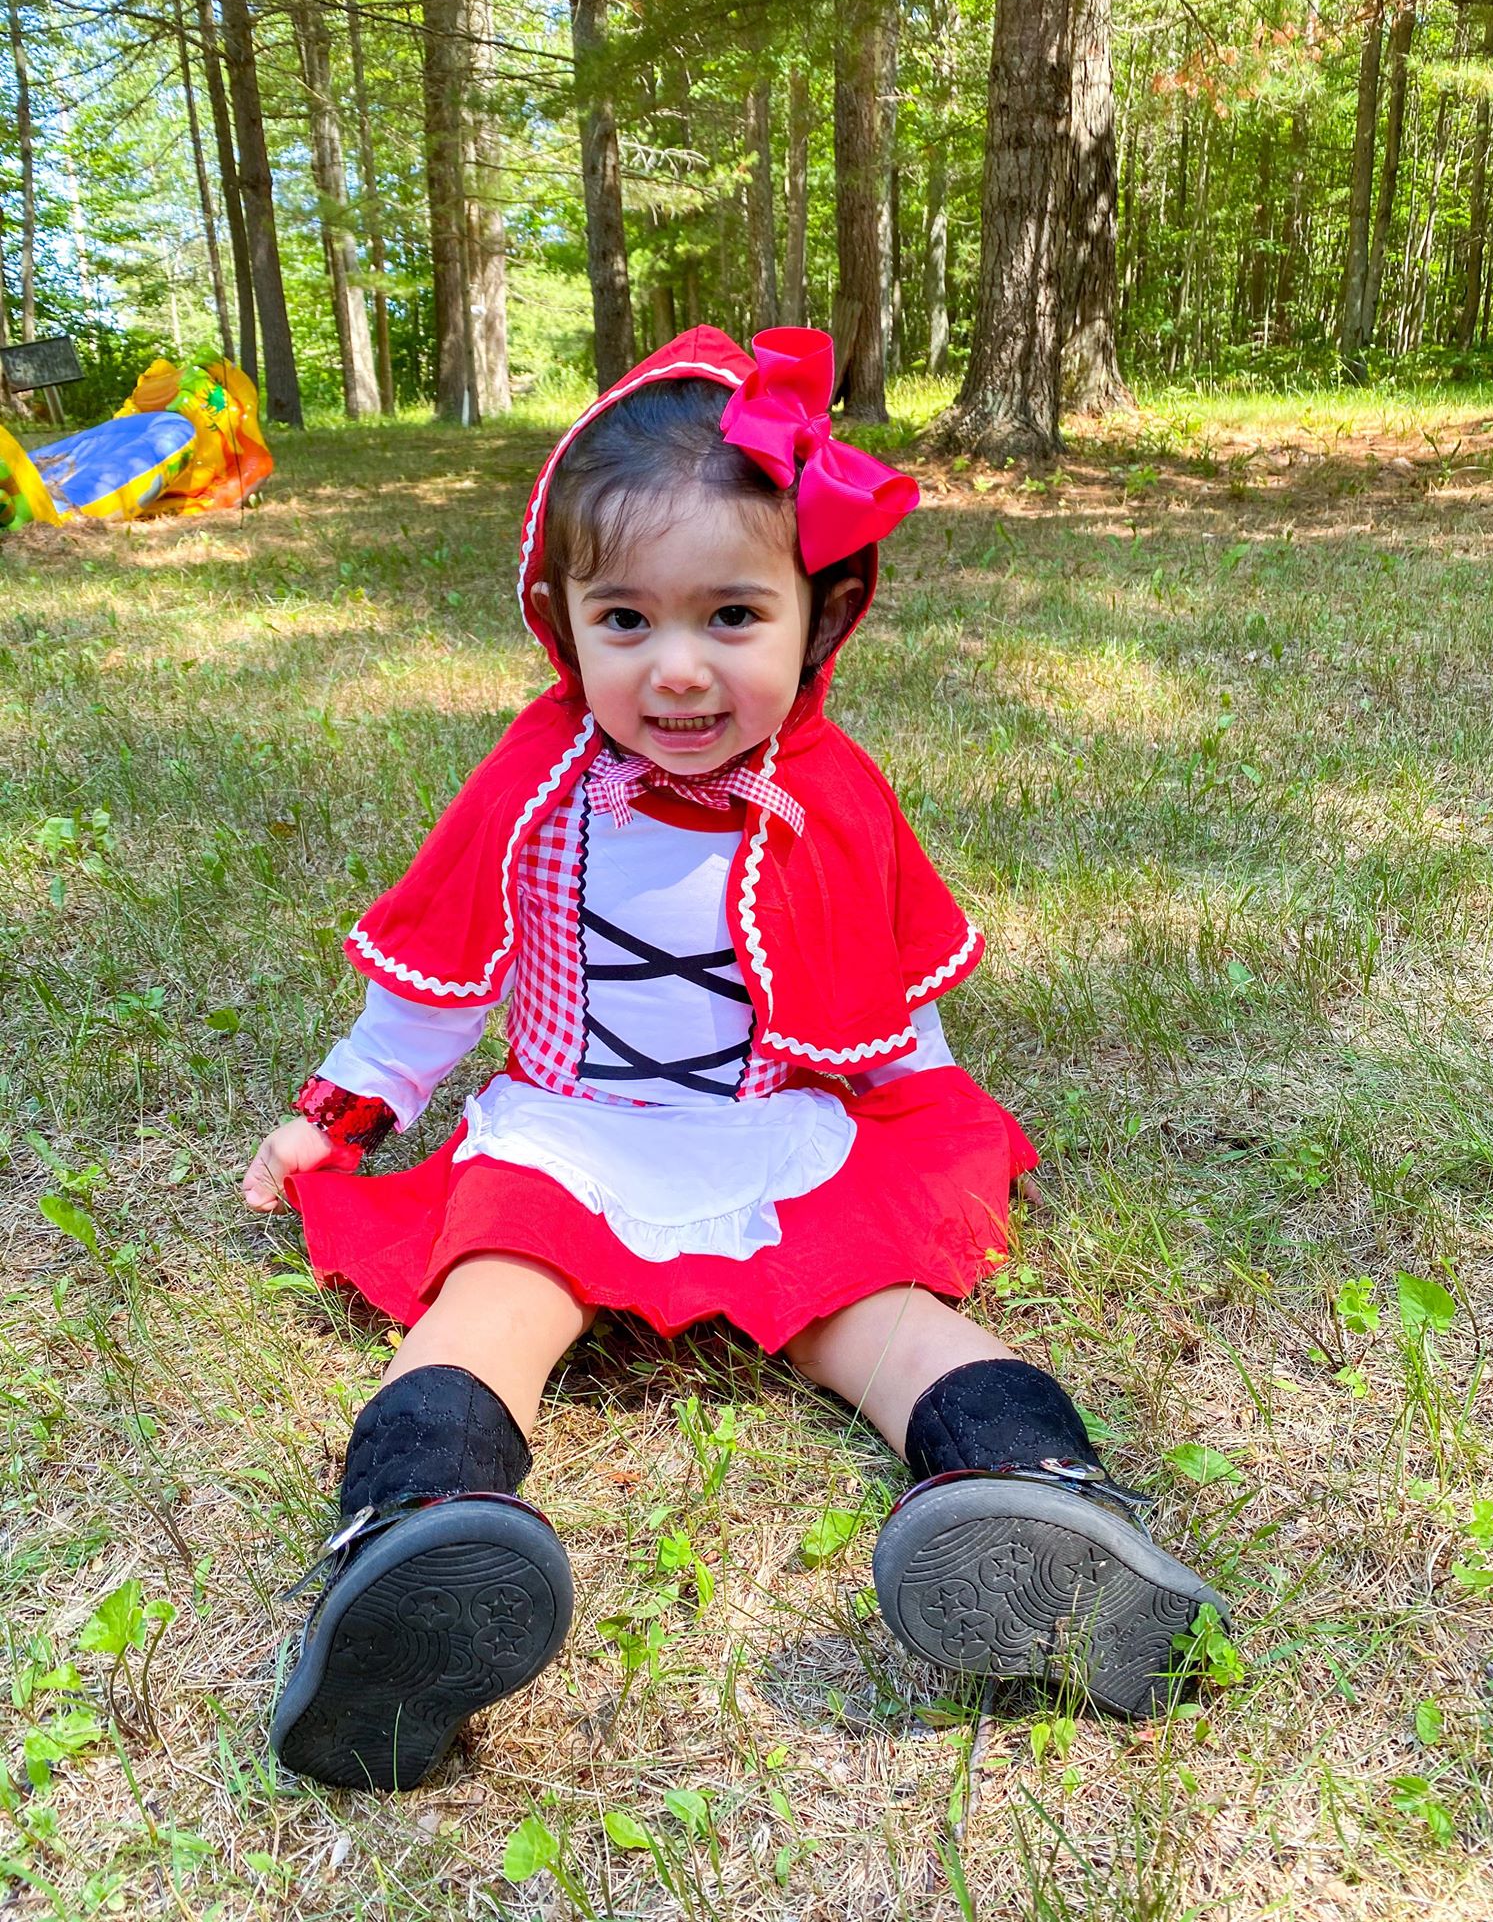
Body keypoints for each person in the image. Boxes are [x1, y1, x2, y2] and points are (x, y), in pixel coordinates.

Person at [244, 327, 1227, 1793]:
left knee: (883, 1325)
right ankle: (413, 1562)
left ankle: (1044, 1511)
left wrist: (928, 1128)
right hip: (571, 1135)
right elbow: (442, 976)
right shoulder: (534, 786)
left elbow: (890, 986)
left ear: (819, 620)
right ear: (559, 618)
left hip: (775, 1138)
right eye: (625, 620)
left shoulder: (828, 789)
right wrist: (341, 1110)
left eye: (731, 617)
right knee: (486, 1315)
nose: (679, 669)